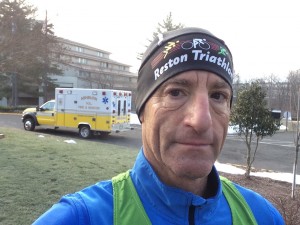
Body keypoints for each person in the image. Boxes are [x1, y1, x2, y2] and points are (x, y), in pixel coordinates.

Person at [32, 27, 285, 225]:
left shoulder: (262, 217)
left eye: (218, 96)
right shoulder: (82, 218)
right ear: (142, 110)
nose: (201, 121)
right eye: (176, 92)